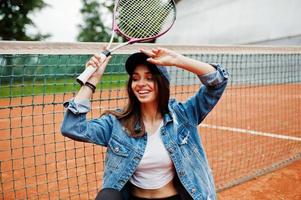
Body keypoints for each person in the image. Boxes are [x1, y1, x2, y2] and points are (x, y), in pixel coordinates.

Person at [61, 47, 229, 200]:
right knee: (107, 196)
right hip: (134, 198)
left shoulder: (184, 114)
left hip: (175, 197)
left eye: (149, 78)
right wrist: (92, 80)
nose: (141, 84)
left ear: (161, 83)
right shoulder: (116, 123)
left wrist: (178, 60)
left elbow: (218, 81)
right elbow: (73, 128)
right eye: (135, 78)